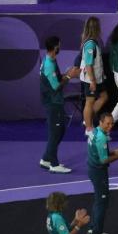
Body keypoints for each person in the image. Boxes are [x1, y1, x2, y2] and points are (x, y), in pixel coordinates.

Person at [87, 113, 118, 234]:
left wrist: (114, 152)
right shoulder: (101, 138)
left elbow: (99, 152)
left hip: (92, 169)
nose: (110, 126)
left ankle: (93, 227)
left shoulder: (94, 131)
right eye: (108, 123)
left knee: (98, 200)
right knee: (102, 202)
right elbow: (103, 160)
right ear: (101, 122)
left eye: (112, 123)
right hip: (98, 171)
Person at [40, 36, 74, 174]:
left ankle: (46, 159)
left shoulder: (52, 60)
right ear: (55, 48)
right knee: (55, 133)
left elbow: (58, 78)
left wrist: (67, 74)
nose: (60, 47)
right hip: (53, 103)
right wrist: (70, 76)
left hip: (55, 101)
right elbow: (56, 87)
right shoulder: (49, 65)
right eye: (59, 45)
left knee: (60, 131)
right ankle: (54, 164)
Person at [79, 16, 109, 136]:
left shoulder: (94, 42)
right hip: (90, 79)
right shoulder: (90, 44)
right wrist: (92, 81)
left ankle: (87, 119)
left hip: (98, 78)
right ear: (96, 28)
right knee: (89, 102)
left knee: (104, 97)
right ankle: (89, 129)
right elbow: (89, 64)